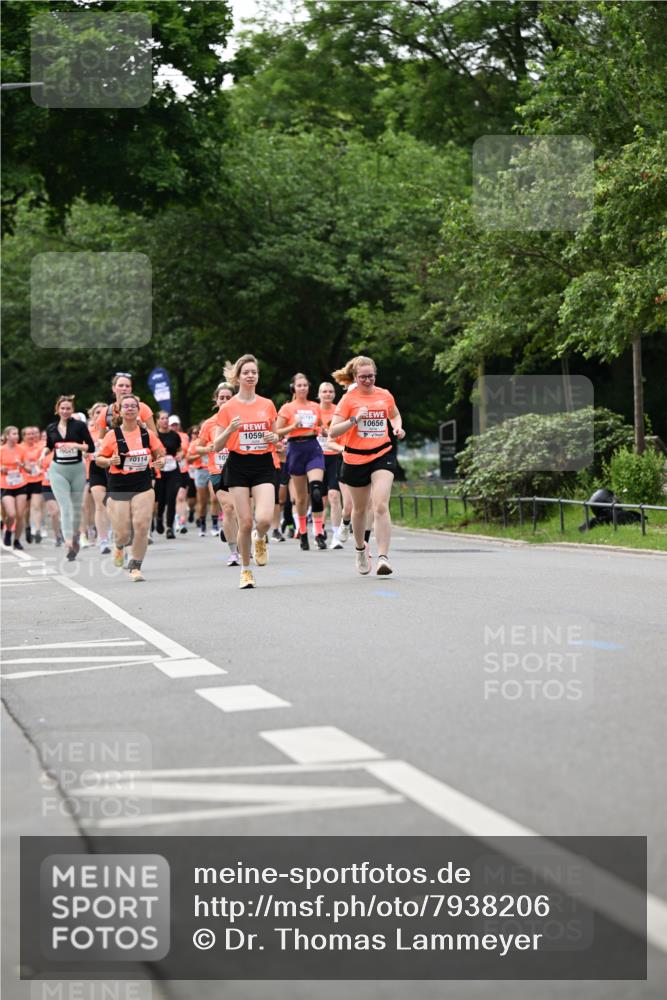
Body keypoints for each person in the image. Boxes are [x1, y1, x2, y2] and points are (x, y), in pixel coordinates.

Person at [329, 356, 405, 576]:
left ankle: (383, 557)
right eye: (363, 377)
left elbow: (395, 415)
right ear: (355, 377)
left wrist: (397, 428)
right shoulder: (348, 400)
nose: (368, 380)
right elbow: (332, 431)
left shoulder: (385, 395)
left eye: (371, 376)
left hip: (382, 454)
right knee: (359, 509)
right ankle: (361, 549)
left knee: (380, 505)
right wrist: (354, 419)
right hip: (354, 458)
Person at [214, 354, 278, 589]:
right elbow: (216, 445)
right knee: (246, 522)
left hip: (263, 464)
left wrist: (274, 437)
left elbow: (276, 436)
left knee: (263, 519)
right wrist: (230, 429)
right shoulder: (229, 408)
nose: (251, 375)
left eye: (254, 372)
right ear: (238, 377)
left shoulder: (267, 404)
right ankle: (245, 570)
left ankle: (260, 539)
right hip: (238, 465)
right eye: (246, 372)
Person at [95, 394, 165, 581]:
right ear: (120, 411)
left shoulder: (146, 434)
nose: (130, 409)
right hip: (119, 486)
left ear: (138, 410)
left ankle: (135, 566)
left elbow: (160, 454)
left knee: (141, 525)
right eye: (126, 406)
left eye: (134, 406)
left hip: (142, 483)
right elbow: (99, 459)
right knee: (123, 533)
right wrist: (110, 460)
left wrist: (161, 462)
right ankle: (118, 546)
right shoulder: (112, 435)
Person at [275, 373, 326, 550]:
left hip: (313, 448)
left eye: (305, 385)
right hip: (295, 449)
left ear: (308, 387)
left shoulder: (315, 406)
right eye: (299, 385)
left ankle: (319, 533)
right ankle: (303, 532)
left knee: (317, 489)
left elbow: (321, 426)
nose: (303, 388)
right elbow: (277, 432)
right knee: (301, 498)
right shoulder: (287, 408)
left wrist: (324, 430)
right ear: (294, 388)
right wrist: (292, 426)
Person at [45, 396, 95, 561]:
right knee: (64, 506)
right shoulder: (51, 427)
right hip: (58, 469)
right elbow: (49, 446)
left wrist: (76, 446)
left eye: (68, 408)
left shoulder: (79, 426)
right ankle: (68, 543)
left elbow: (91, 446)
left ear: (72, 410)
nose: (65, 411)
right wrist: (42, 454)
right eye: (62, 408)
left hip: (77, 469)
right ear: (57, 409)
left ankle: (75, 536)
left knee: (76, 507)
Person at [197, 383, 240, 565]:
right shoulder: (209, 423)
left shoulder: (240, 419)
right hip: (218, 471)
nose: (224, 400)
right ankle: (234, 552)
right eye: (221, 397)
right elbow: (197, 447)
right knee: (228, 508)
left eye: (228, 397)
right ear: (216, 400)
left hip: (240, 468)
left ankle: (241, 541)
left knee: (242, 510)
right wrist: (207, 448)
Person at [317, 381, 347, 549]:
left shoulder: (339, 411)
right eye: (324, 391)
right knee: (319, 498)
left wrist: (332, 434)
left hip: (335, 456)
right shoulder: (314, 410)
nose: (327, 394)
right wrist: (318, 431)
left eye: (330, 391)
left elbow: (344, 430)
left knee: (334, 496)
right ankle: (319, 531)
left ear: (334, 394)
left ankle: (336, 536)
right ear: (319, 394)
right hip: (317, 457)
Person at [86, 402, 112, 554]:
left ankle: (112, 531)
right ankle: (103, 539)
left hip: (112, 468)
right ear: (92, 415)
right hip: (96, 468)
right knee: (100, 504)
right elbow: (83, 449)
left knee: (113, 504)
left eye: (104, 413)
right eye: (97, 412)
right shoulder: (88, 432)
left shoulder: (114, 431)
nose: (101, 415)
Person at [98, 373, 157, 437]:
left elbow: (155, 436)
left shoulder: (143, 407)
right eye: (120, 385)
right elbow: (101, 439)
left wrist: (142, 427)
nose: (124, 388)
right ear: (113, 388)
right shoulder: (106, 412)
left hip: (139, 446)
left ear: (131, 389)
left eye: (127, 386)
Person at [154, 410, 183, 538]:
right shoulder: (154, 436)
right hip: (159, 471)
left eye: (167, 418)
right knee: (160, 499)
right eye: (162, 418)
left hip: (173, 470)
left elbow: (180, 450)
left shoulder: (174, 435)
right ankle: (159, 517)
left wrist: (180, 455)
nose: (165, 421)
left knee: (171, 498)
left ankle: (169, 527)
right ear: (157, 421)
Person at [1, 426, 28, 549]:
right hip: (5, 485)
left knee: (20, 515)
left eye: (17, 433)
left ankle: (17, 540)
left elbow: (29, 469)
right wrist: (1, 469)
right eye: (14, 434)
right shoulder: (1, 450)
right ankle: (8, 532)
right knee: (11, 514)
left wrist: (21, 465)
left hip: (20, 484)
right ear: (7, 436)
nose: (17, 436)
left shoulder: (22, 450)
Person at [21, 426, 45, 544]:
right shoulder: (20, 448)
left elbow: (43, 461)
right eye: (28, 434)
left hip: (37, 479)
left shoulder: (40, 447)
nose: (31, 436)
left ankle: (37, 530)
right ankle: (27, 527)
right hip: (23, 481)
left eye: (33, 434)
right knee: (26, 509)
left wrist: (39, 464)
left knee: (36, 506)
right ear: (24, 436)